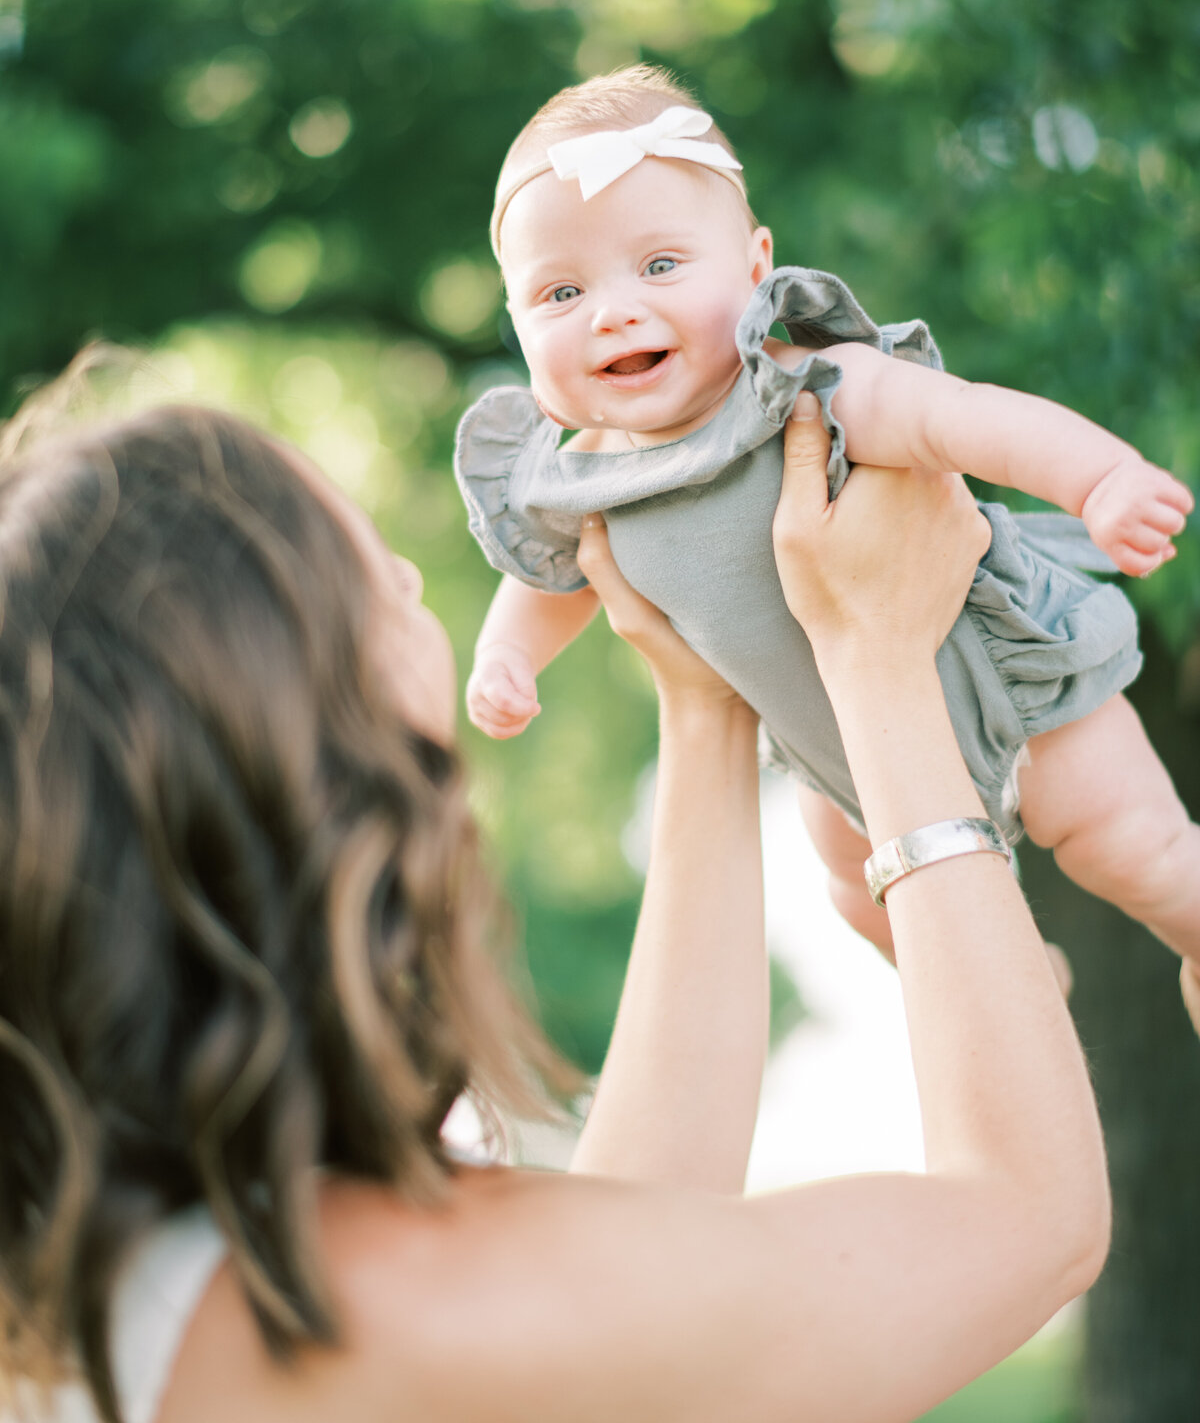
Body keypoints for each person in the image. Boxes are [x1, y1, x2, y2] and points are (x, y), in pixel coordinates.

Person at [0, 371, 1108, 1423]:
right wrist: (880, 656)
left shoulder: (122, 1278)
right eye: (377, 581)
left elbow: (630, 1247)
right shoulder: (365, 1304)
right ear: (294, 734)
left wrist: (705, 699)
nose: (415, 583)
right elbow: (1023, 1223)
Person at [454, 63, 1200, 1002]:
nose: (613, 311)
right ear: (516, 321)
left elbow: (966, 419)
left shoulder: (805, 387)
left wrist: (1101, 481)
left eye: (660, 266)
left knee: (1135, 850)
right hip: (844, 749)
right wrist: (506, 658)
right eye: (559, 294)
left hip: (1006, 687)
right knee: (858, 892)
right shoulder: (579, 476)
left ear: (757, 266)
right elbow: (552, 581)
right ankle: (1016, 986)